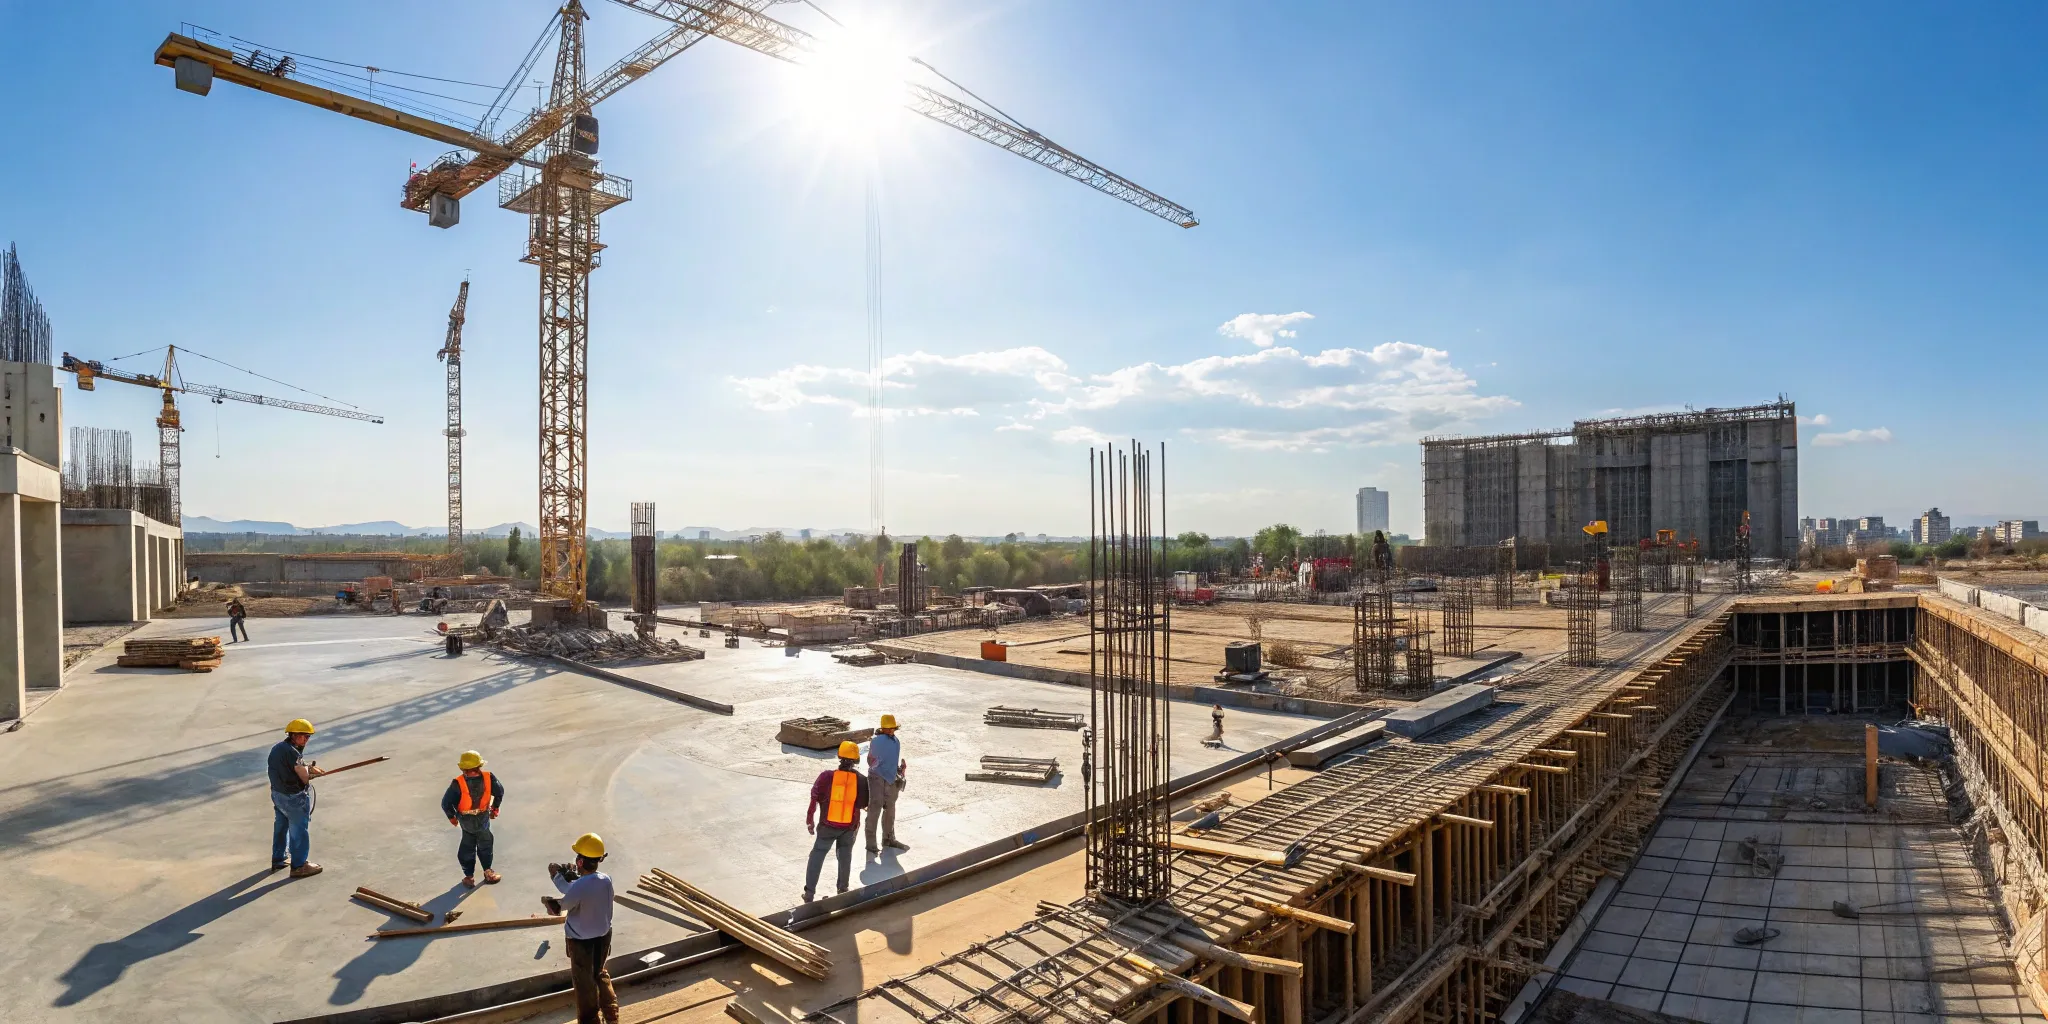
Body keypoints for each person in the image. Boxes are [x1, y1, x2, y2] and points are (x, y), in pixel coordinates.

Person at [546, 834, 617, 1024]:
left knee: (584, 984)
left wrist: (556, 875)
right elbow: (581, 888)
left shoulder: (579, 887)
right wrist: (572, 879)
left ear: (580, 861)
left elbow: (561, 905)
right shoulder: (606, 880)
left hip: (581, 942)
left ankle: (590, 1021)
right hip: (603, 937)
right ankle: (611, 1012)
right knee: (599, 972)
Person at [804, 740, 869, 901]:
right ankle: (843, 889)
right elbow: (863, 804)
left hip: (827, 826)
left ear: (839, 757)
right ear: (855, 761)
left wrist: (810, 819)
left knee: (817, 856)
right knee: (845, 856)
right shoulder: (861, 780)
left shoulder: (826, 777)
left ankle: (809, 893)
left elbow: (814, 797)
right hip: (849, 827)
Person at [268, 719, 327, 877]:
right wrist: (310, 774)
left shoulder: (278, 748)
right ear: (293, 735)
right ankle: (299, 866)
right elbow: (304, 777)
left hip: (277, 795)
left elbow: (288, 767)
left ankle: (279, 858)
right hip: (293, 798)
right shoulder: (294, 752)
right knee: (299, 831)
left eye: (308, 737)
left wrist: (306, 767)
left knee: (281, 825)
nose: (306, 739)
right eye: (303, 736)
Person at [441, 750, 505, 887]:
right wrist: (495, 808)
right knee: (485, 843)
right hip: (482, 817)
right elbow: (499, 793)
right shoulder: (489, 777)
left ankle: (469, 877)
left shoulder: (457, 783)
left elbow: (446, 803)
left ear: (463, 768)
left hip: (466, 820)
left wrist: (452, 817)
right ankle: (488, 872)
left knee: (467, 846)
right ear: (479, 765)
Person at [864, 714, 909, 854]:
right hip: (877, 778)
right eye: (888, 729)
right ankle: (871, 844)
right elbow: (871, 761)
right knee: (874, 809)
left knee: (890, 809)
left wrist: (899, 770)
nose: (891, 731)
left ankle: (888, 839)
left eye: (893, 729)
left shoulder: (896, 741)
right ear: (883, 728)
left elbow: (891, 761)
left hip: (891, 778)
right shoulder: (876, 741)